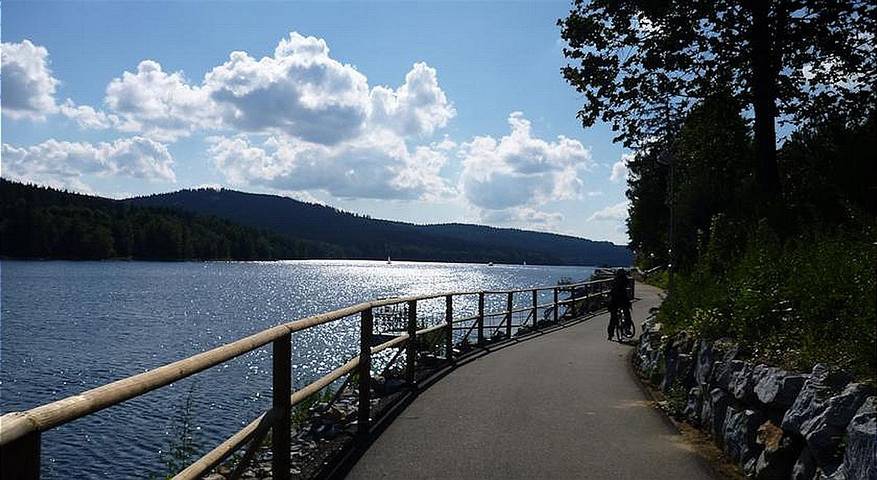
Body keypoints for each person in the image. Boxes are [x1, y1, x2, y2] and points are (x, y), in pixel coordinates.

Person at [607, 269, 632, 341]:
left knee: (613, 318)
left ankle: (610, 334)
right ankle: (627, 329)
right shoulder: (625, 280)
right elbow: (628, 287)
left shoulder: (614, 281)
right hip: (623, 300)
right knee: (627, 314)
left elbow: (611, 291)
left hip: (613, 301)